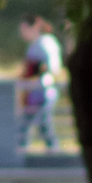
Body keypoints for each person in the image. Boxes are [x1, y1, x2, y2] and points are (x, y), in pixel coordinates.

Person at [18, 14, 64, 152]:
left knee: (41, 124)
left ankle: (52, 153)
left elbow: (50, 67)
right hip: (36, 92)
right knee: (36, 124)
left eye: (24, 29)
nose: (22, 33)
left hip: (42, 91)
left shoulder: (43, 43)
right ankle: (23, 149)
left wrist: (38, 77)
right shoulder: (40, 43)